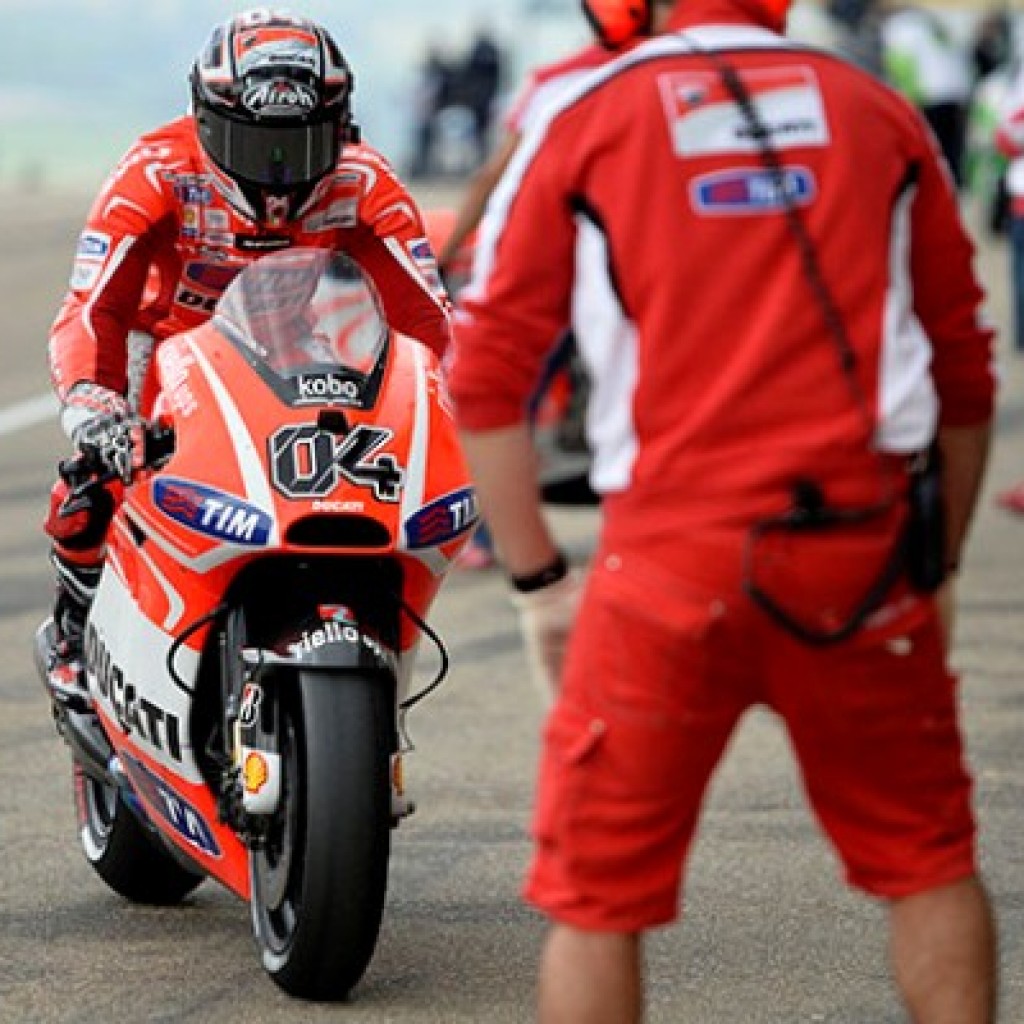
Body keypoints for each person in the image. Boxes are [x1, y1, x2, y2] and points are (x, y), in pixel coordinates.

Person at [449, 0, 999, 1019]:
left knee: (596, 901)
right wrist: (936, 562)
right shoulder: (878, 112)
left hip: (663, 566)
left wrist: (536, 584)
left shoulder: (588, 113)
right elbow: (964, 371)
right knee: (927, 860)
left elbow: (481, 376)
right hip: (859, 556)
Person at [42, 9, 451, 713]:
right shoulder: (155, 167)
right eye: (253, 144)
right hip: (164, 351)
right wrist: (94, 401)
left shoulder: (366, 179)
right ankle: (75, 629)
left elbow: (425, 317)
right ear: (203, 118)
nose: (279, 175)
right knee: (91, 491)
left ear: (341, 126)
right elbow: (92, 304)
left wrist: (438, 400)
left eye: (302, 144)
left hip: (297, 354)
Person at [881, 2, 973, 187]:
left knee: (929, 153)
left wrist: (906, 100)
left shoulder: (898, 25)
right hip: (955, 93)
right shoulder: (928, 22)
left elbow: (901, 65)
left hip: (929, 96)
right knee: (950, 153)